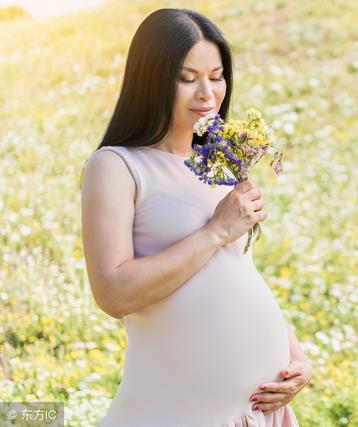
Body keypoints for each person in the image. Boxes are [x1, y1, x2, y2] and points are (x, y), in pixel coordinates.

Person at [80, 8, 312, 426]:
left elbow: (238, 269)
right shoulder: (117, 166)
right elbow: (112, 293)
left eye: (216, 76)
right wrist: (216, 230)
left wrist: (295, 356)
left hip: (257, 411)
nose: (207, 93)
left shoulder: (217, 162)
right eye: (187, 79)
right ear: (150, 81)